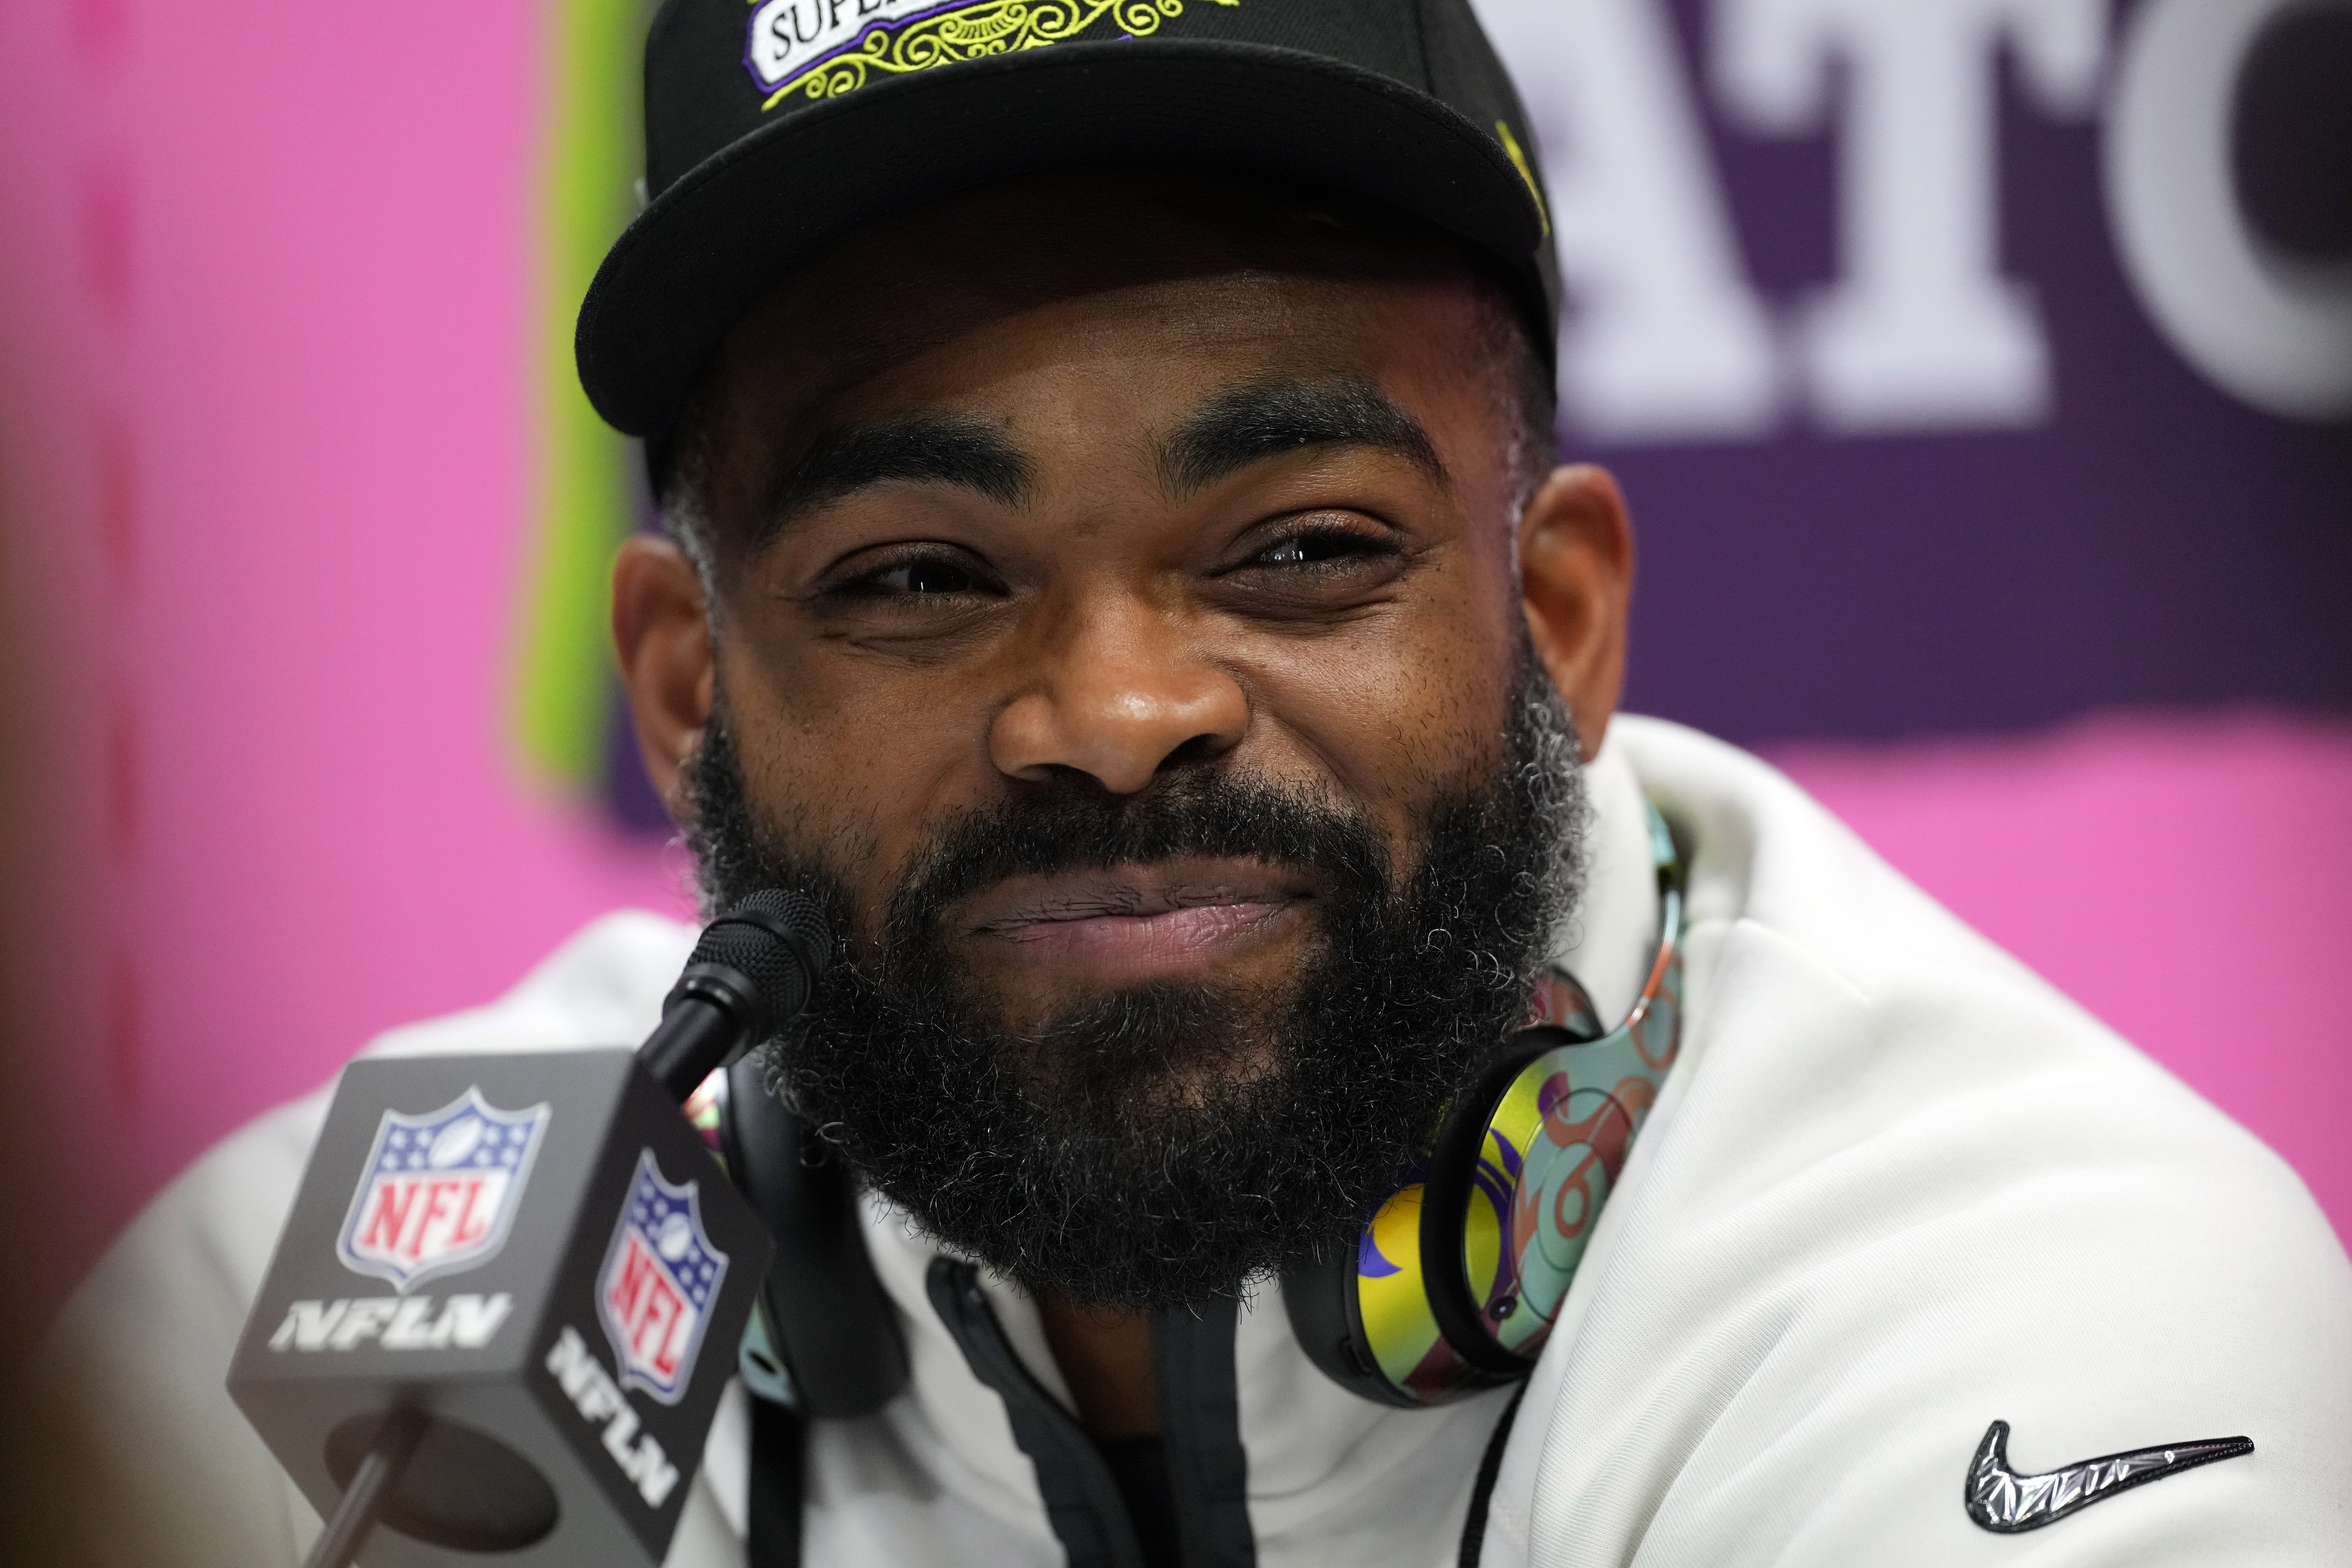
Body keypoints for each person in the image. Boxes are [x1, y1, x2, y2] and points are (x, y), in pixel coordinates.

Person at [28, 1, 2352, 1564]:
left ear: (1551, 621)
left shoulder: (2010, 1303)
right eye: (924, 577)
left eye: (1303, 552)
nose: (1114, 712)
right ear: (685, 688)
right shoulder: (309, 1328)